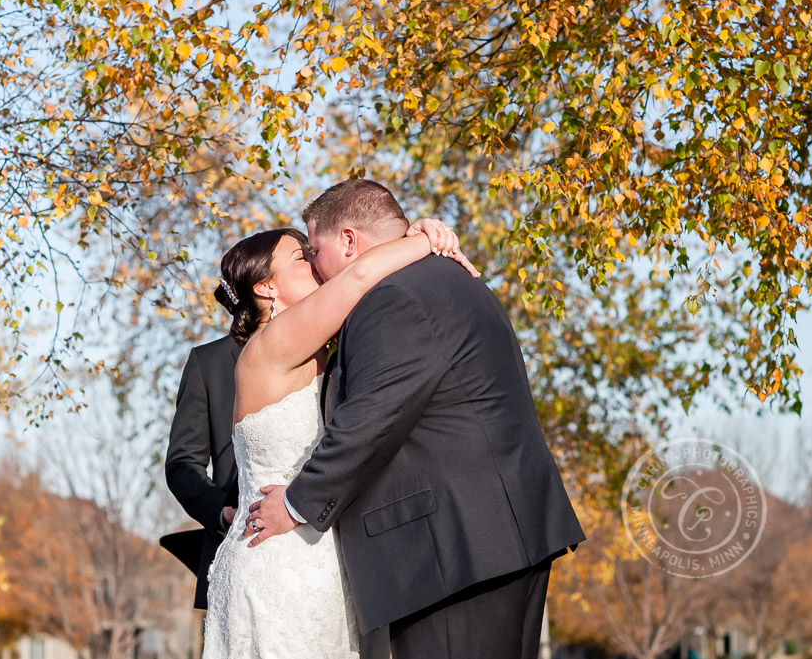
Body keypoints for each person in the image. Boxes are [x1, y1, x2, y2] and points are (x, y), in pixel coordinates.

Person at [245, 179, 587, 659]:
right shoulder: (451, 278)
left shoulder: (392, 298)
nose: (316, 267)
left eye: (314, 250)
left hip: (454, 552)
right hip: (494, 538)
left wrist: (299, 503)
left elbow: (372, 418)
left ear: (348, 241)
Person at [202, 221, 475, 659]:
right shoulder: (274, 343)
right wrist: (425, 239)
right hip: (282, 565)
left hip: (321, 555)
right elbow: (361, 276)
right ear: (267, 288)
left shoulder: (314, 347)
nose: (314, 262)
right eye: (301, 258)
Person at [164, 333, 241, 610]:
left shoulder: (331, 348)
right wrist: (222, 511)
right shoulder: (209, 362)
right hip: (240, 551)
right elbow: (182, 463)